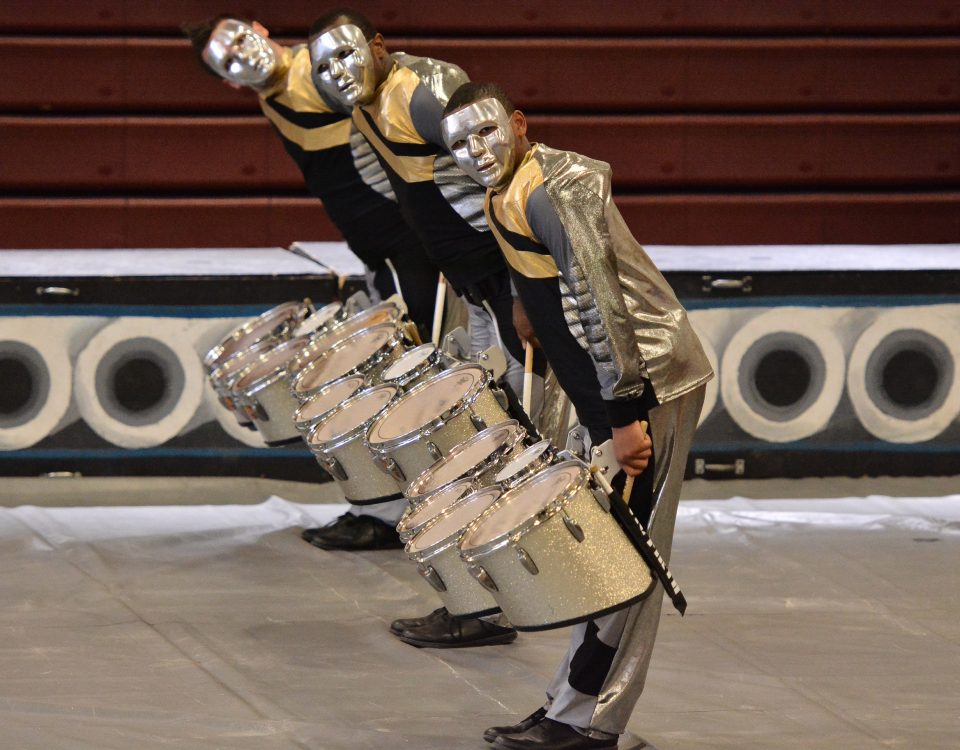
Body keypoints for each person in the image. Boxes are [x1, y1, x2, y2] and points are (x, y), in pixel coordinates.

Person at [440, 82, 714, 749]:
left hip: (645, 384)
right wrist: (524, 304)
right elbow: (543, 270)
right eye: (460, 144)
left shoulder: (551, 191)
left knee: (625, 559)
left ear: (518, 123)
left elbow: (601, 301)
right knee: (598, 548)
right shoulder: (505, 189)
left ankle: (593, 724)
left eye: (486, 131)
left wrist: (623, 417)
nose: (476, 150)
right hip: (607, 388)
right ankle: (569, 708)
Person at [307, 8, 548, 648]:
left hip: (504, 287)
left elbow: (507, 176)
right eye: (324, 66)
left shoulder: (425, 92)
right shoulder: (366, 103)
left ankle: (499, 606)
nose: (338, 72)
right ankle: (481, 601)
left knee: (508, 444)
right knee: (481, 440)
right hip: (475, 288)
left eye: (347, 53)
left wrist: (524, 291)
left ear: (379, 44)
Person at [183, 15, 438, 551]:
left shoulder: (321, 72)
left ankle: (412, 515)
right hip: (381, 255)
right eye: (227, 60)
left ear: (259, 27)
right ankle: (394, 510)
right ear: (229, 83)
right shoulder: (273, 93)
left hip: (412, 249)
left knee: (413, 378)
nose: (242, 54)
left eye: (241, 38)